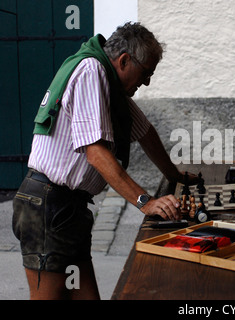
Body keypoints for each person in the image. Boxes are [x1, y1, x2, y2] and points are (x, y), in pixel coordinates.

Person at [12, 22, 196, 300]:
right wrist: (146, 202)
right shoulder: (91, 71)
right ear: (124, 60)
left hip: (68, 208)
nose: (146, 82)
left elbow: (145, 133)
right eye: (145, 73)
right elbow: (95, 152)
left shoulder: (110, 87)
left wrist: (175, 175)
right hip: (48, 207)